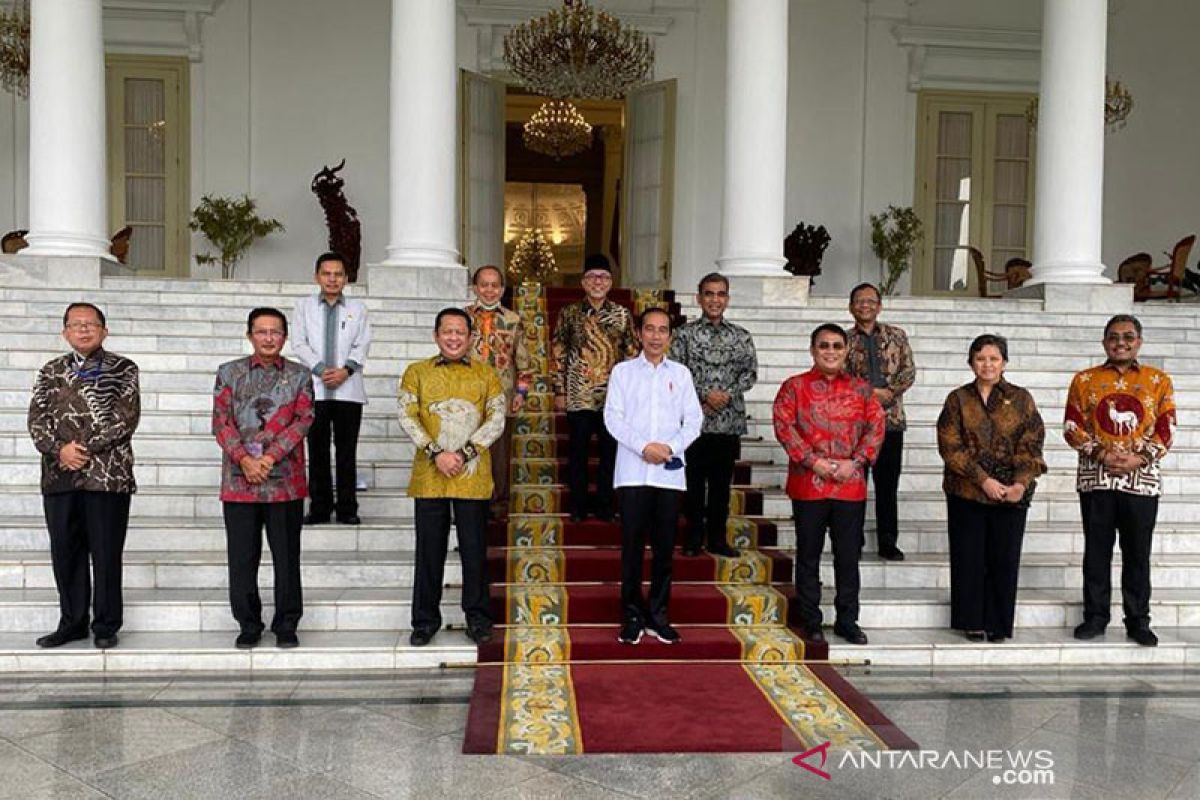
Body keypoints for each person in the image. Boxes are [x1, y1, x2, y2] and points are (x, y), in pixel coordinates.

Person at [27, 303, 140, 650]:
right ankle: (72, 622)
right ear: (65, 333)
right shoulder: (50, 371)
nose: (84, 330)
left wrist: (82, 448)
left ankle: (105, 624)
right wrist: (60, 450)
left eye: (91, 324)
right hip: (59, 477)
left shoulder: (123, 369)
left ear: (104, 331)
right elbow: (36, 419)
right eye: (76, 324)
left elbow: (125, 418)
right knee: (66, 551)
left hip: (107, 477)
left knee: (106, 553)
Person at [1065, 314, 1175, 647]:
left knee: (1137, 552)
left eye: (1128, 337)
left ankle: (1138, 620)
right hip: (1097, 479)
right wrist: (1102, 454)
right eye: (1113, 337)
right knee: (1096, 551)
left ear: (1139, 342)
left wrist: (1140, 458)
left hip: (1141, 481)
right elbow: (1071, 426)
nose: (1121, 343)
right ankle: (1095, 616)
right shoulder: (1084, 380)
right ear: (1104, 343)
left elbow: (1167, 426)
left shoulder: (1159, 380)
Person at [399, 308, 506, 647]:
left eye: (461, 332)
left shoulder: (487, 375)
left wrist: (464, 454)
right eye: (448, 331)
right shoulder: (416, 372)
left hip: (472, 477)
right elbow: (407, 414)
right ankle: (425, 621)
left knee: (474, 551)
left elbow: (496, 418)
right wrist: (436, 453)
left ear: (471, 337)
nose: (454, 338)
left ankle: (477, 618)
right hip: (430, 476)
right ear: (436, 335)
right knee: (429, 550)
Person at [773, 324, 884, 645]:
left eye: (837, 346)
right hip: (809, 484)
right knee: (808, 555)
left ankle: (848, 620)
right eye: (824, 346)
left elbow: (876, 428)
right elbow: (784, 426)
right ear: (813, 350)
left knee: (848, 557)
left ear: (846, 350)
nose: (831, 351)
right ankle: (811, 620)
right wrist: (814, 461)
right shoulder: (794, 387)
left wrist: (856, 461)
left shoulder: (862, 390)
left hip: (850, 485)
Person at [213, 308, 314, 649]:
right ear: (249, 335)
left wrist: (269, 457)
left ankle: (286, 623)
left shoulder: (300, 376)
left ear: (285, 337)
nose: (269, 338)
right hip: (240, 483)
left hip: (284, 482)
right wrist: (245, 459)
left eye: (275, 332)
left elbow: (303, 420)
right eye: (261, 331)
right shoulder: (229, 373)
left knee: (287, 557)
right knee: (242, 558)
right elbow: (221, 422)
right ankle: (248, 623)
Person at [937, 334, 1046, 643]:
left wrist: (1019, 483)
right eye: (981, 358)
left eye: (994, 358)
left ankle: (998, 624)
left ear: (1004, 363)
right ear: (971, 362)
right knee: (968, 556)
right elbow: (950, 446)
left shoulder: (1022, 399)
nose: (987, 364)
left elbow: (1032, 443)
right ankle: (970, 620)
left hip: (1010, 492)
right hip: (966, 490)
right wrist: (983, 480)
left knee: (1004, 558)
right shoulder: (957, 399)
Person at [605, 308, 703, 645]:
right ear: (639, 333)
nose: (656, 336)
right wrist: (643, 447)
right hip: (632, 473)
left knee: (664, 550)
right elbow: (613, 418)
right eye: (650, 329)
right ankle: (631, 615)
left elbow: (693, 421)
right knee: (632, 549)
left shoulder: (682, 374)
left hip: (668, 476)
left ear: (670, 336)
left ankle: (659, 616)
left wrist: (669, 448)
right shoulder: (622, 372)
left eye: (663, 330)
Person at [669, 272, 757, 558]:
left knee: (721, 486)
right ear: (699, 298)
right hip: (694, 423)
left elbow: (750, 372)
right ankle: (694, 537)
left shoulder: (741, 336)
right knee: (693, 483)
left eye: (720, 294)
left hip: (728, 422)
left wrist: (725, 393)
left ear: (727, 299)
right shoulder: (683, 335)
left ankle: (717, 538)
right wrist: (705, 393)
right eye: (709, 294)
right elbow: (676, 371)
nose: (714, 300)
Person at [551, 254, 637, 522]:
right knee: (577, 454)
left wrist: (630, 393)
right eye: (592, 277)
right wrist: (559, 390)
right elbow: (558, 352)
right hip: (579, 395)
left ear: (611, 282)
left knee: (610, 454)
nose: (598, 281)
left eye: (603, 277)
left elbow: (631, 353)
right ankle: (578, 506)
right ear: (583, 282)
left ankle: (605, 505)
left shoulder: (622, 315)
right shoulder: (569, 314)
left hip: (613, 398)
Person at [292, 252, 371, 526]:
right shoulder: (303, 307)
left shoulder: (358, 309)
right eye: (327, 273)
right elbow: (299, 343)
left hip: (349, 391)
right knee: (317, 450)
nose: (332, 279)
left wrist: (346, 370)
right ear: (317, 276)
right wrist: (319, 369)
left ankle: (348, 508)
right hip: (315, 389)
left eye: (338, 274)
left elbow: (363, 343)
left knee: (346, 452)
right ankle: (319, 508)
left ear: (346, 278)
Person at [845, 282, 915, 561]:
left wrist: (889, 393)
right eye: (859, 301)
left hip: (891, 421)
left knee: (887, 485)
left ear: (879, 306)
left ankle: (888, 540)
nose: (865, 305)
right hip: (855, 424)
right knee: (855, 483)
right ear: (851, 307)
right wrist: (869, 393)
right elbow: (839, 375)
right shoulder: (843, 340)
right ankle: (854, 539)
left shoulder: (897, 336)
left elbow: (908, 371)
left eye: (870, 301)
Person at [465, 265, 532, 515]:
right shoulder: (464, 317)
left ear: (502, 289)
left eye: (495, 285)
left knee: (500, 456)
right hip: (468, 398)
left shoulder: (513, 320)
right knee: (469, 449)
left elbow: (524, 364)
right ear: (475, 287)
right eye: (484, 284)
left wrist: (521, 393)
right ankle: (471, 502)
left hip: (501, 398)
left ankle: (499, 504)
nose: (489, 290)